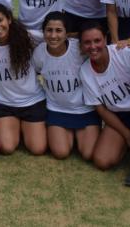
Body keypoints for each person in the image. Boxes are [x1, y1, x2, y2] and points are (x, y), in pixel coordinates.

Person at [78, 21, 130, 187]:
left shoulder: (124, 53)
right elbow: (101, 109)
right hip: (119, 116)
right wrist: (127, 135)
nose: (93, 46)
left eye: (97, 40)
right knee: (102, 160)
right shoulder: (85, 71)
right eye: (87, 42)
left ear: (106, 39)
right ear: (81, 45)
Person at [32, 12, 100, 160]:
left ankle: (81, 135)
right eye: (49, 30)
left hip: (84, 109)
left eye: (58, 30)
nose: (53, 35)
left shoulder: (79, 49)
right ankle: (68, 135)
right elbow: (34, 72)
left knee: (88, 154)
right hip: (57, 109)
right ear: (43, 32)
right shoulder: (39, 53)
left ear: (67, 34)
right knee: (61, 153)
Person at [0, 4, 47, 155]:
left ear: (9, 19)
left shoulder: (27, 36)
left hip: (32, 101)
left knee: (38, 149)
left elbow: (54, 37)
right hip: (2, 103)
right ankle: (14, 127)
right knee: (7, 147)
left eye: (0, 20)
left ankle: (25, 128)